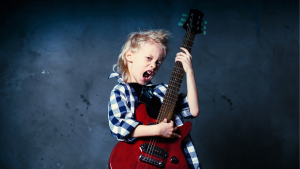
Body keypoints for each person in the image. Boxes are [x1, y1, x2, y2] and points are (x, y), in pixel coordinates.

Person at [108, 29, 201, 169]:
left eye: (158, 62)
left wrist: (189, 72)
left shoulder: (163, 91)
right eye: (149, 58)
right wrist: (158, 130)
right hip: (136, 159)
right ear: (129, 56)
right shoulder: (121, 91)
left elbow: (193, 110)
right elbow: (119, 127)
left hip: (168, 159)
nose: (153, 65)